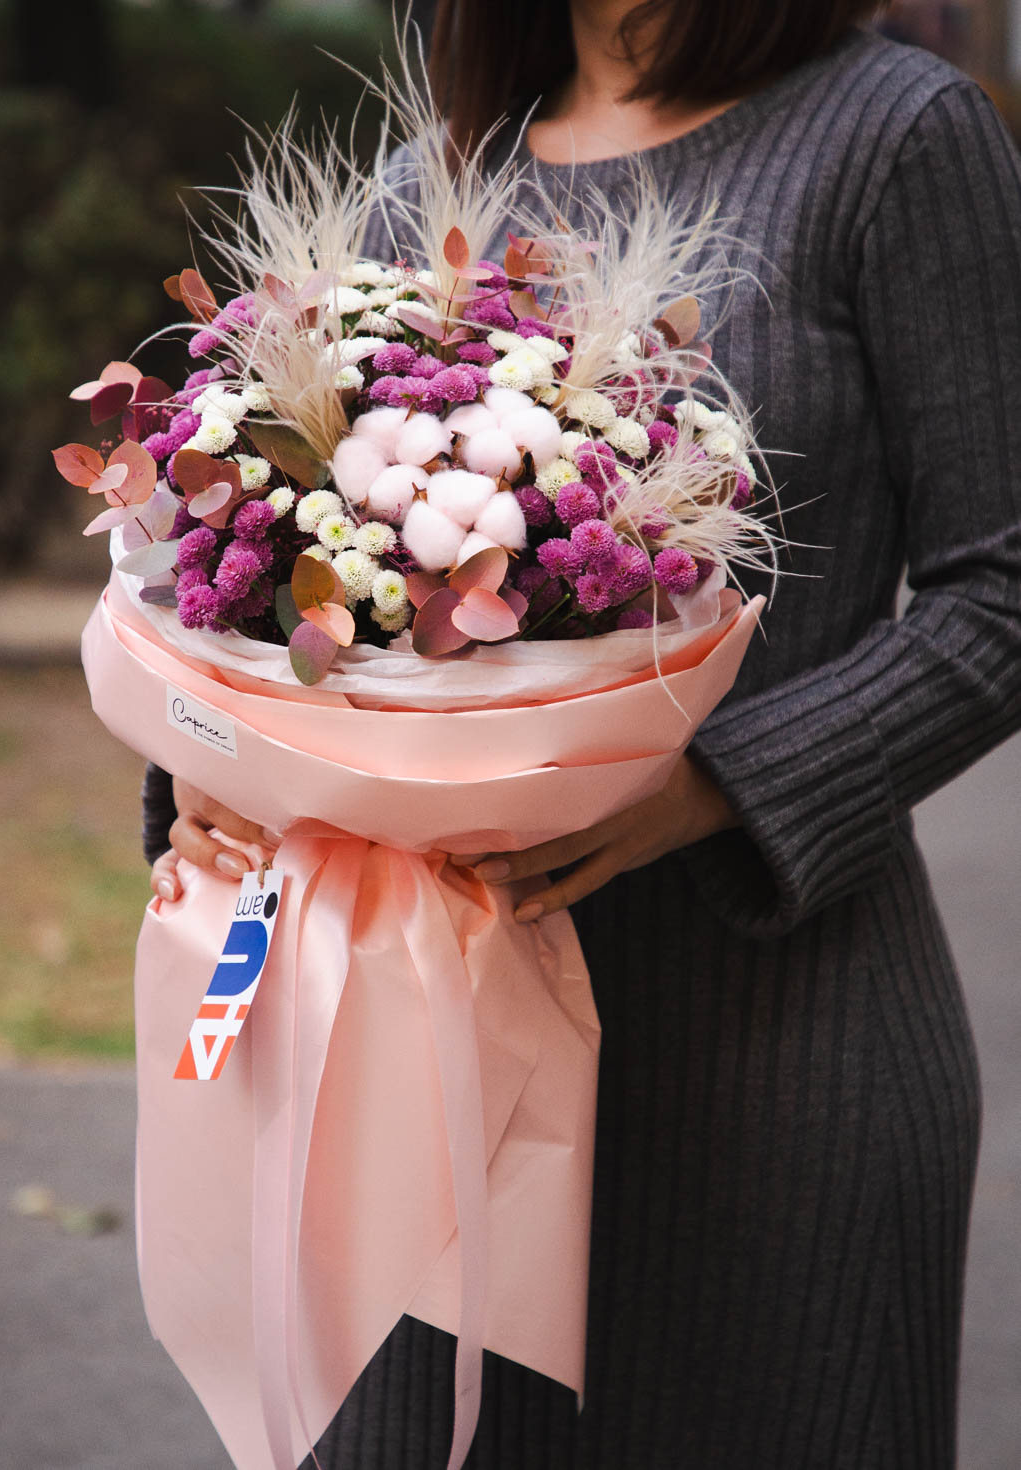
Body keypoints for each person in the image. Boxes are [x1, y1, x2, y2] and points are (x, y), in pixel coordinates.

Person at [141, 1, 1021, 1464]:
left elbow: (999, 585)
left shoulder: (895, 138)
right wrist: (219, 779)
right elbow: (266, 576)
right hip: (419, 1088)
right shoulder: (433, 185)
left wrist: (709, 788)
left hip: (774, 1070)